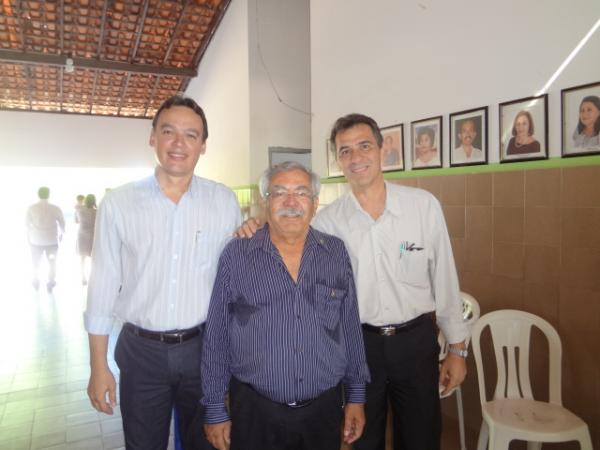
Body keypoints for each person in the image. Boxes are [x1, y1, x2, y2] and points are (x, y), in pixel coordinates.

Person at [237, 114, 469, 450]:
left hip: (415, 343)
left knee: (421, 438)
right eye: (345, 151)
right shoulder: (329, 223)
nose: (355, 157)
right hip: (358, 348)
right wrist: (257, 224)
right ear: (338, 159)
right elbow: (288, 229)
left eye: (363, 146)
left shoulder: (423, 207)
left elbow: (445, 278)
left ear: (381, 148)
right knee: (362, 440)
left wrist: (458, 349)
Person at [84, 95, 241, 450]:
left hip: (205, 348)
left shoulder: (223, 202)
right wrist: (98, 366)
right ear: (153, 137)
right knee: (143, 444)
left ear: (203, 146)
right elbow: (103, 284)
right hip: (141, 351)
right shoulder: (119, 203)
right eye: (168, 131)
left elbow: (235, 276)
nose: (178, 143)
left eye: (191, 134)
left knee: (208, 442)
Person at [202, 161, 370, 450]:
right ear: (265, 201)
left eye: (302, 193)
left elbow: (350, 328)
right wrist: (216, 407)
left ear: (315, 203)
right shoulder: (237, 255)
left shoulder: (335, 253)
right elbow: (216, 337)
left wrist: (356, 396)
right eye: (279, 192)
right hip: (256, 411)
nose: (291, 202)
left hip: (323, 410)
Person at [25, 186, 65, 292]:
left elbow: (27, 225)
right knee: (52, 263)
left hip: (36, 241)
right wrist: (61, 235)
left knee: (35, 262)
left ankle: (36, 280)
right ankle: (51, 282)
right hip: (51, 241)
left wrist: (29, 236)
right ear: (49, 194)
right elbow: (62, 224)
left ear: (38, 194)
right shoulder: (56, 208)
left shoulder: (31, 208)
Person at [75, 194, 97, 285]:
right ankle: (93, 278)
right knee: (94, 259)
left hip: (82, 235)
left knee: (82, 258)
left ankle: (83, 277)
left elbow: (76, 221)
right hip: (93, 236)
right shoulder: (97, 212)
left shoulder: (79, 211)